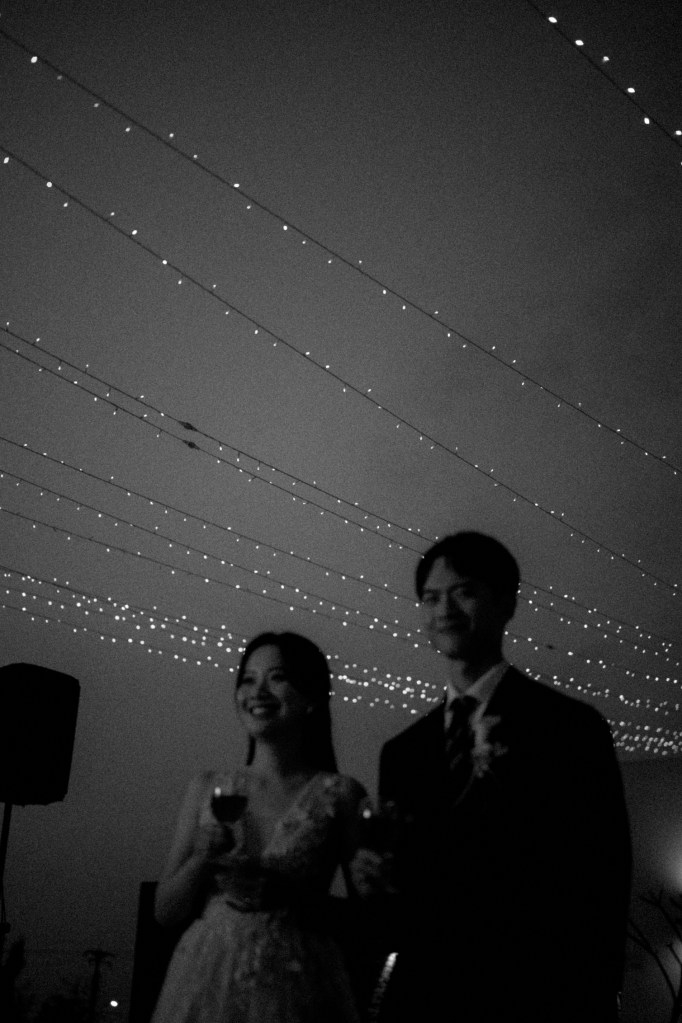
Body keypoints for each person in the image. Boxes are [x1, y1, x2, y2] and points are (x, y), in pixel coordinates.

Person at [353, 531, 631, 1023]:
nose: (444, 610)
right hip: (431, 997)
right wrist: (374, 882)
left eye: (463, 592)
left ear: (506, 603)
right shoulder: (402, 752)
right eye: (430, 598)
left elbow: (604, 876)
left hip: (541, 994)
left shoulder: (569, 727)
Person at [152, 631, 366, 1023]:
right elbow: (165, 912)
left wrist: (296, 899)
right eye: (248, 679)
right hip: (207, 977)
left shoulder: (341, 794)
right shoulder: (207, 788)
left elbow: (367, 920)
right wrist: (201, 858)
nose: (258, 692)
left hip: (301, 984)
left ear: (312, 697)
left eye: (277, 677)